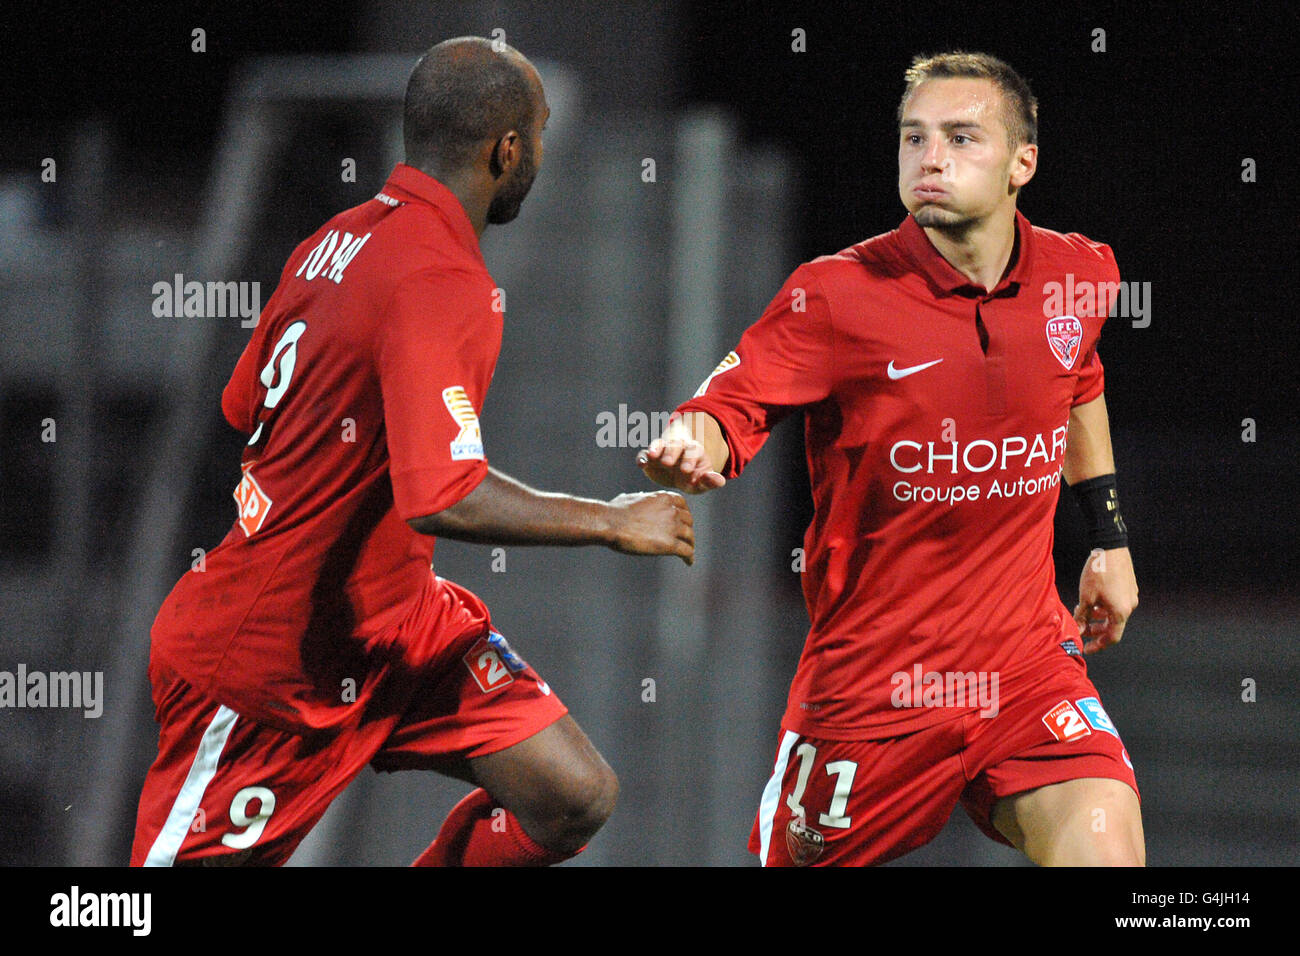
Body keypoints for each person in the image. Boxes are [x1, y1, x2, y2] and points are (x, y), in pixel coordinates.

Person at [131, 37, 694, 867]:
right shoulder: (442, 276)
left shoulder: (335, 241)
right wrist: (609, 521)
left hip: (396, 628)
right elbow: (442, 497)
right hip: (273, 669)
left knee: (570, 796)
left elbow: (243, 403)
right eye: (536, 134)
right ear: (510, 150)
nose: (537, 153)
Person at [639, 51, 1142, 866]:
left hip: (1024, 670)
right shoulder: (837, 295)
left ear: (1024, 164)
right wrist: (691, 444)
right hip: (874, 689)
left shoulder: (1077, 273)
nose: (930, 158)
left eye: (961, 137)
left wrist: (1109, 541)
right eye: (914, 139)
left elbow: (1080, 385)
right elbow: (729, 405)